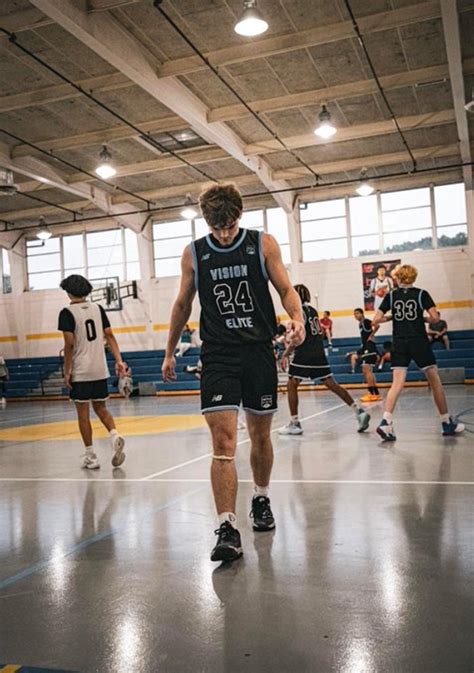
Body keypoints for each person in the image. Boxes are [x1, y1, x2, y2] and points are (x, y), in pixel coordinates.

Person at [162, 183, 305, 563]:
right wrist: (169, 351)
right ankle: (226, 526)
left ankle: (261, 497)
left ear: (239, 216)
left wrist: (298, 317)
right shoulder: (194, 254)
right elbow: (182, 304)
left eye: (229, 226)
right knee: (223, 442)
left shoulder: (263, 244)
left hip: (258, 351)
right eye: (217, 227)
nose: (224, 234)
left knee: (260, 436)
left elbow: (286, 289)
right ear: (207, 222)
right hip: (218, 355)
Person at [372, 264, 464, 440]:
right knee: (435, 381)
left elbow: (376, 319)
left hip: (399, 342)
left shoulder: (391, 295)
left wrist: (392, 316)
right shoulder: (422, 294)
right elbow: (435, 318)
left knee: (396, 384)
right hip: (419, 341)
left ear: (398, 278)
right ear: (413, 277)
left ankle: (386, 422)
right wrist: (422, 318)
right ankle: (446, 422)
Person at [278, 285, 370, 435]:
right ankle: (359, 411)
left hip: (305, 352)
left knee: (291, 384)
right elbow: (319, 332)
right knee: (331, 384)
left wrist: (286, 354)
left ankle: (294, 423)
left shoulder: (298, 312)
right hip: (318, 352)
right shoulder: (313, 311)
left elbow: (297, 337)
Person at [58, 274, 127, 469]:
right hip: (100, 369)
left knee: (83, 414)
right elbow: (110, 335)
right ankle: (114, 435)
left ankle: (91, 456)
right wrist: (119, 361)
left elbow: (69, 344)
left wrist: (67, 371)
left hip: (81, 370)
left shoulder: (66, 312)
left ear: (68, 292)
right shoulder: (98, 309)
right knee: (101, 408)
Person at [351, 308, 381, 402]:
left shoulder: (366, 321)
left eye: (357, 313)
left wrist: (372, 335)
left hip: (370, 348)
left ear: (362, 313)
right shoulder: (360, 324)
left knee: (367, 370)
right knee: (367, 371)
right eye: (354, 314)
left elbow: (377, 325)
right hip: (366, 348)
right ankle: (375, 393)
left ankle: (372, 393)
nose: (356, 316)